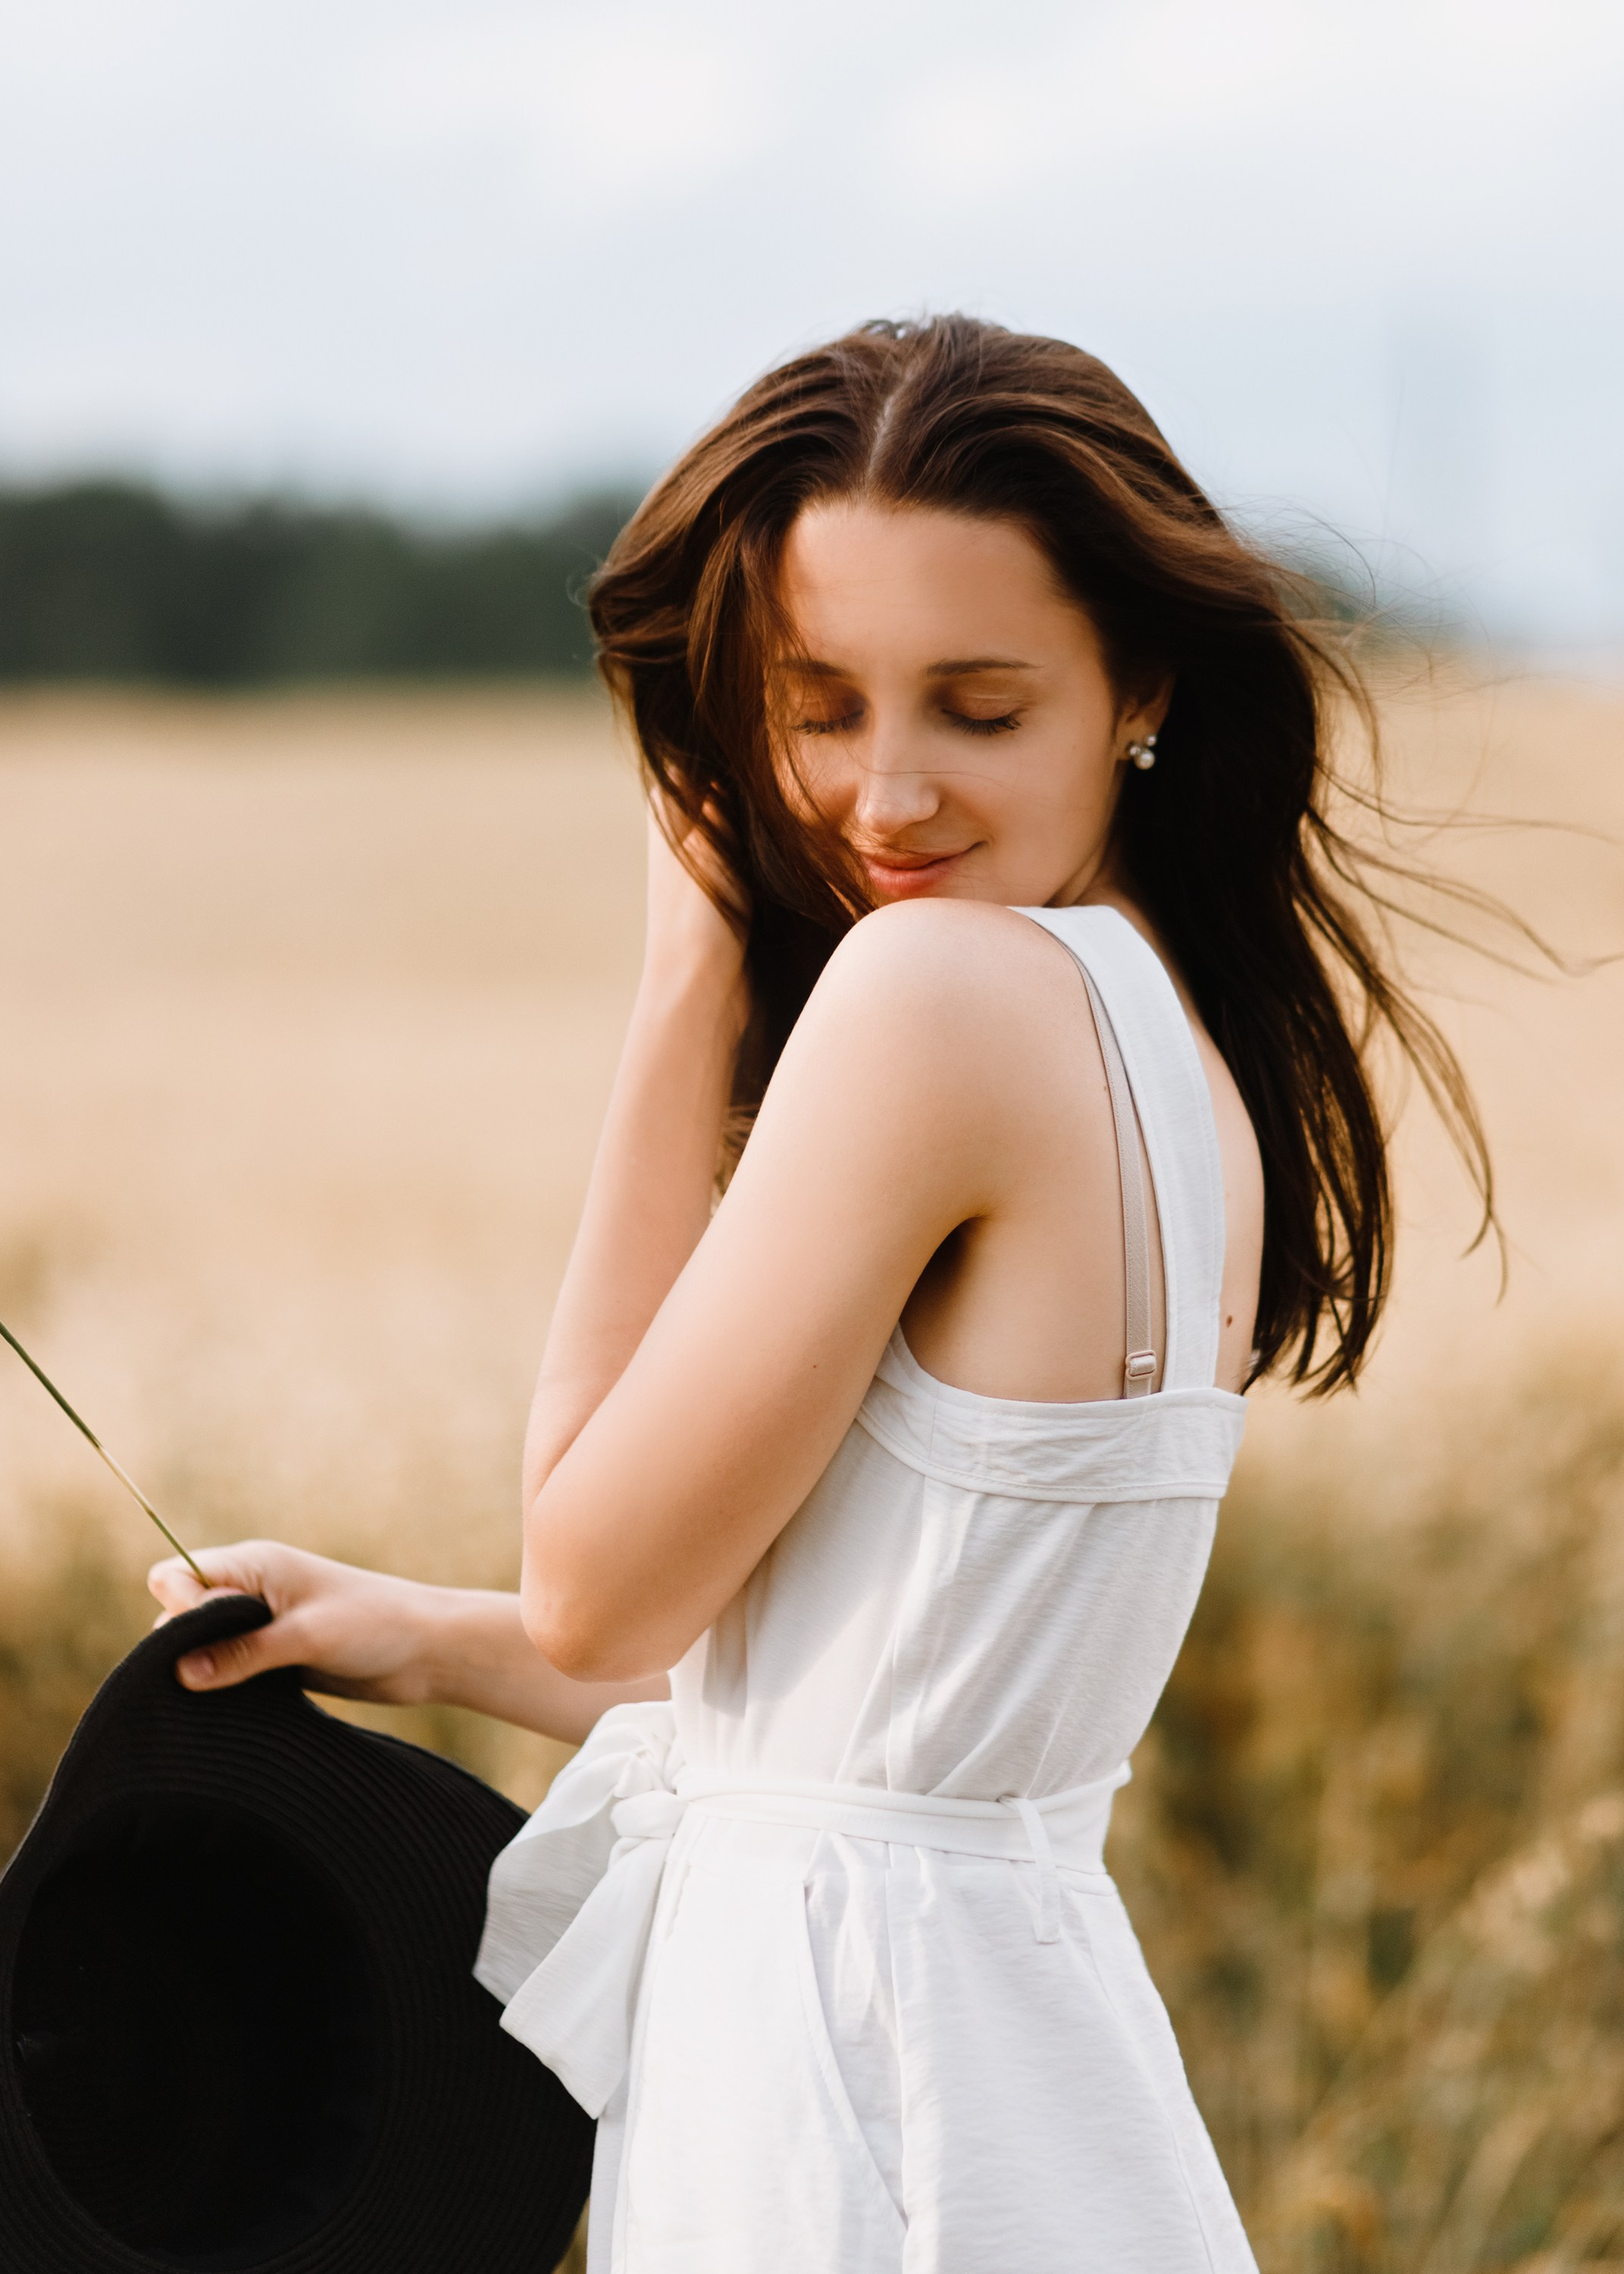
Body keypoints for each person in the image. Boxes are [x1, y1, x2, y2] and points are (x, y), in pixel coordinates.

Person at [149, 315, 1487, 2272]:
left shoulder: (938, 995)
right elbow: (868, 1703)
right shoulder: (1172, 1048)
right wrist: (426, 1637)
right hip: (998, 2074)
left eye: (976, 708)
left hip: (849, 2100)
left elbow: (599, 1580)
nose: (885, 794)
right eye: (819, 707)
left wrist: (685, 969)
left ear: (1139, 689)